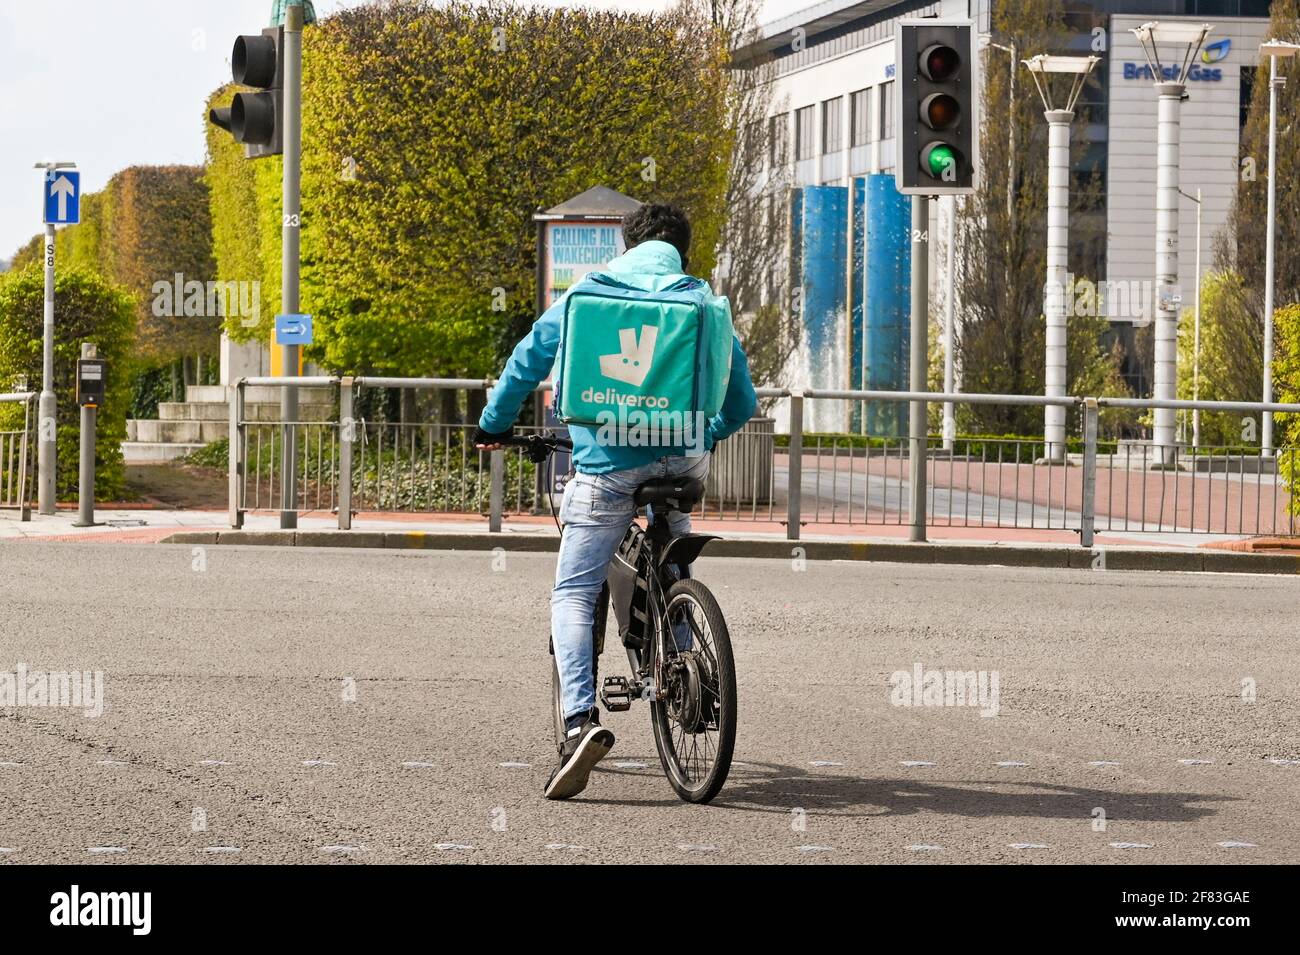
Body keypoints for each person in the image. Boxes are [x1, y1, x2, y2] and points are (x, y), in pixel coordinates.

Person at [474, 202, 758, 799]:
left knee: (574, 592)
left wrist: (494, 422)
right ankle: (688, 662)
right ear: (683, 248)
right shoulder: (705, 304)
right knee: (673, 556)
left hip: (608, 461)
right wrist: (702, 435)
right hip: (681, 458)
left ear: (626, 243)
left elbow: (527, 360)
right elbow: (740, 401)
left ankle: (579, 722)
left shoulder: (588, 295)